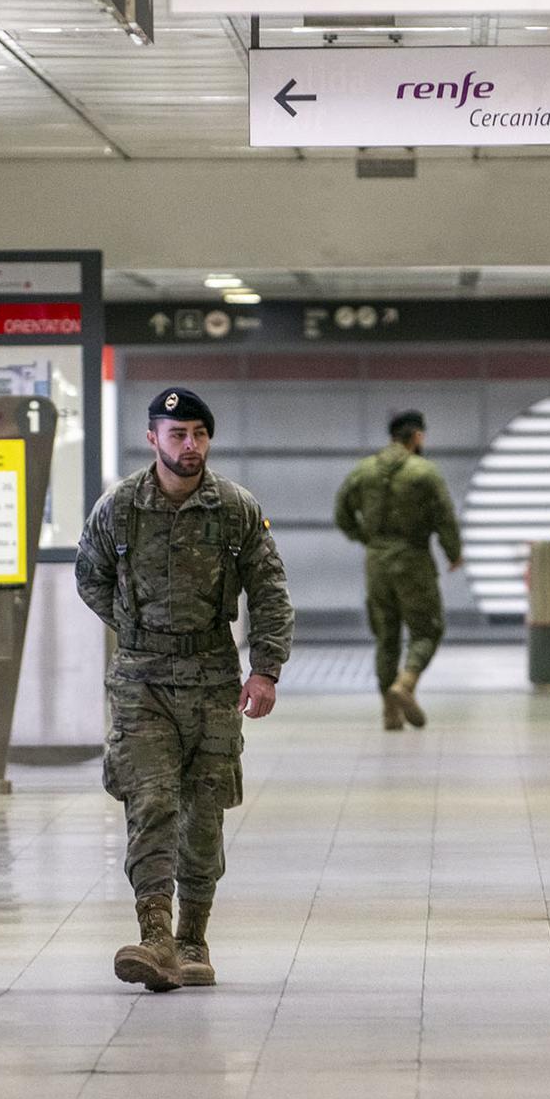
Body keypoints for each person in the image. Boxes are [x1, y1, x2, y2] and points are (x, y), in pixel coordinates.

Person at [76, 386, 294, 992]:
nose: (189, 445)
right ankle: (155, 937)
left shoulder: (235, 509)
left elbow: (271, 589)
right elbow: (89, 575)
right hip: (141, 682)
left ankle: (194, 939)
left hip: (212, 681)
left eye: (199, 434)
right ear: (153, 438)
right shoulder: (119, 508)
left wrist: (266, 668)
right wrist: (137, 630)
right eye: (177, 435)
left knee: (202, 814)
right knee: (150, 802)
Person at [333, 409, 464, 731]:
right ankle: (405, 684)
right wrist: (453, 553)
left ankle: (390, 712)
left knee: (386, 637)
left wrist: (367, 539)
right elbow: (444, 517)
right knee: (427, 630)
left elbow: (341, 513)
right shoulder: (425, 473)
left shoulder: (363, 471)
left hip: (376, 563)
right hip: (414, 560)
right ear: (417, 436)